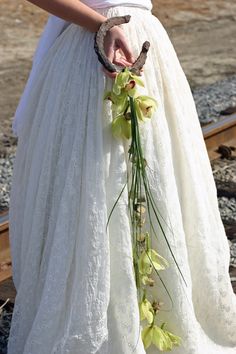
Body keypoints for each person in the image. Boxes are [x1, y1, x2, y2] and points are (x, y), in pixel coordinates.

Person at [7, 1, 236, 353]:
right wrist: (102, 25)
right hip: (94, 50)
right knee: (97, 184)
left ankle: (156, 312)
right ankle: (109, 320)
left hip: (140, 43)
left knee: (155, 176)